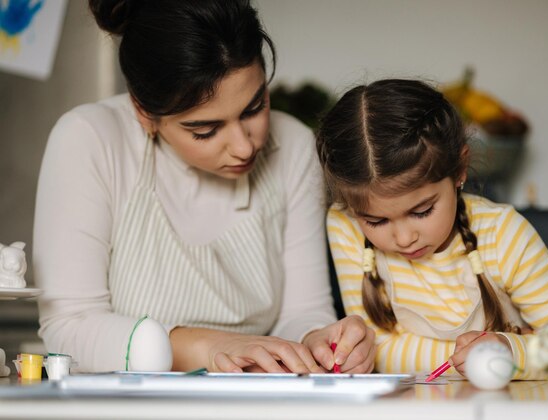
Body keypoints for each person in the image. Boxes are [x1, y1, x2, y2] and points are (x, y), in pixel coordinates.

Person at [33, 0, 375, 374]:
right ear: (145, 114)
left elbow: (302, 312)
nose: (245, 146)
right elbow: (69, 328)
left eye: (254, 107)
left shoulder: (292, 147)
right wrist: (212, 348)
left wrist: (319, 340)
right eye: (205, 131)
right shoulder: (90, 140)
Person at [316, 78, 548, 379]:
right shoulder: (345, 224)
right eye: (376, 221)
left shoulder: (503, 234)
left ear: (459, 169)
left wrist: (511, 352)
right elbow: (373, 350)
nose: (404, 239)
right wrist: (489, 359)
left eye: (423, 211)